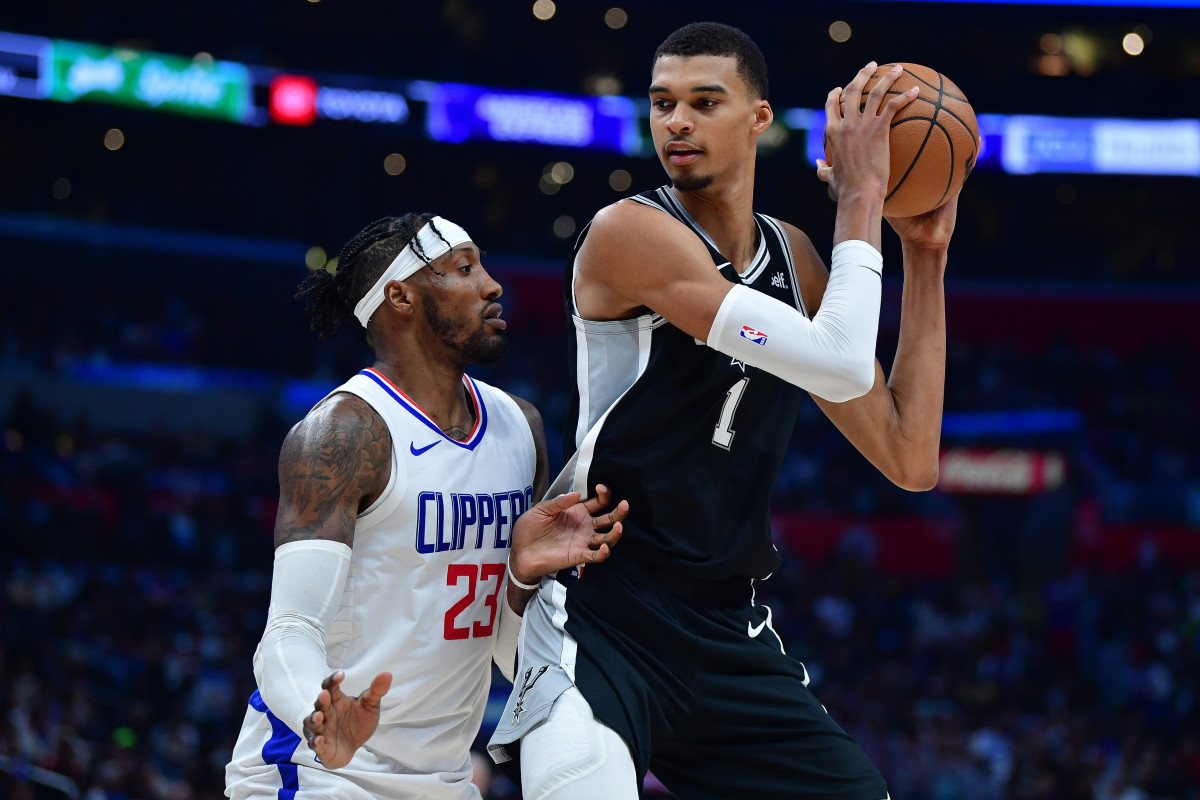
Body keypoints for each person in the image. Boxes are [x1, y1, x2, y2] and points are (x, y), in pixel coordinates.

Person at [488, 22, 958, 800]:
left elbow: (910, 456)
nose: (677, 122)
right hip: (605, 611)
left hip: (724, 629)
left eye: (706, 102)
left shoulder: (797, 259)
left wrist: (926, 254)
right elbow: (840, 359)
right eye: (662, 103)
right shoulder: (629, 234)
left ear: (759, 120)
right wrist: (865, 198)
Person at [224, 212, 628, 800]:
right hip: (317, 774)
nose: (491, 284)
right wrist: (318, 713)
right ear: (400, 296)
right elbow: (289, 629)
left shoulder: (520, 428)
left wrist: (518, 575)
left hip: (445, 781)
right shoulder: (344, 432)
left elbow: (505, 653)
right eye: (464, 269)